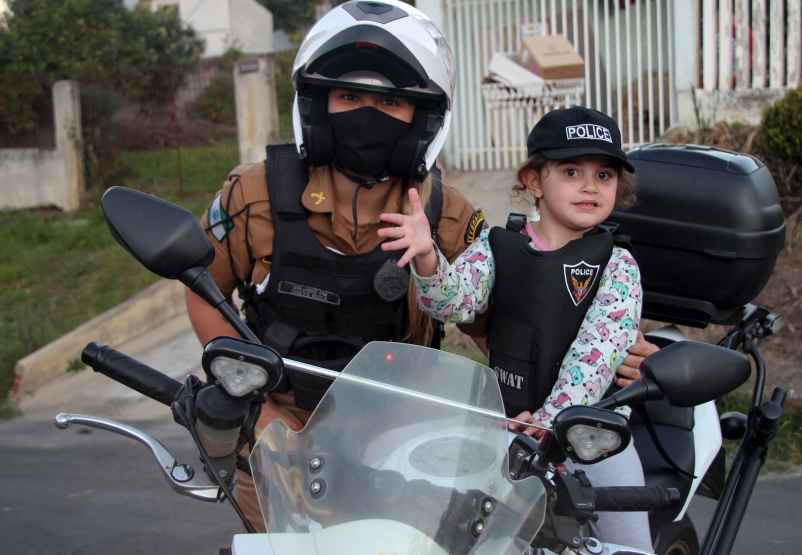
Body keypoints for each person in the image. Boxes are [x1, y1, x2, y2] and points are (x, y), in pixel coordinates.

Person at [185, 0, 489, 531]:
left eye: (391, 101)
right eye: (349, 96)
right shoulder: (253, 194)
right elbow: (200, 286)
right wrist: (256, 404)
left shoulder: (446, 216)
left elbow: (493, 323)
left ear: (422, 116)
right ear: (317, 105)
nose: (367, 116)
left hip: (400, 445)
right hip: (276, 432)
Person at [380, 106, 654, 551]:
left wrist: (548, 424)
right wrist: (428, 257)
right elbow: (454, 301)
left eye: (605, 175)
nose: (590, 186)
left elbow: (596, 357)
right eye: (571, 171)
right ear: (533, 180)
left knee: (630, 546)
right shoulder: (497, 245)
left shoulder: (618, 265)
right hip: (505, 432)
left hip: (592, 440)